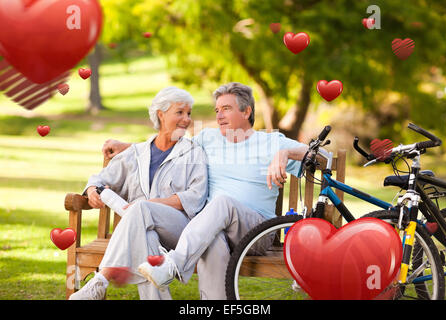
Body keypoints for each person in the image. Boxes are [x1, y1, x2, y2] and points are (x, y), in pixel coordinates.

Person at [103, 82, 310, 299]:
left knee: (222, 203)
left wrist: (284, 154)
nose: (219, 115)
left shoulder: (270, 142)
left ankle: (173, 265)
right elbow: (171, 145)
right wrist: (126, 146)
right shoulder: (208, 139)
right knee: (212, 239)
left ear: (246, 111)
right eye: (217, 110)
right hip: (214, 228)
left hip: (256, 232)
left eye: (226, 109)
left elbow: (322, 156)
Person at [69, 86, 208, 300]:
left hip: (180, 232)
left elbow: (195, 197)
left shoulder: (193, 152)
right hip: (142, 231)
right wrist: (90, 190)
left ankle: (101, 279)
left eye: (188, 113)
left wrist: (151, 204)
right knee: (147, 239)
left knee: (142, 206)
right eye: (179, 112)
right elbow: (99, 179)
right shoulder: (136, 154)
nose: (186, 119)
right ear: (161, 114)